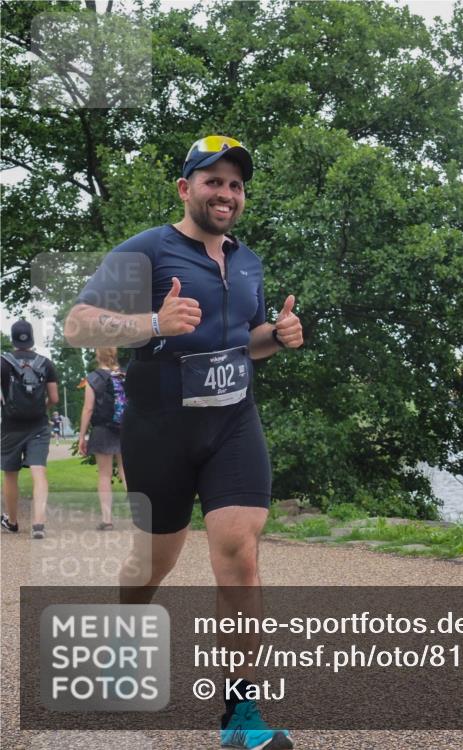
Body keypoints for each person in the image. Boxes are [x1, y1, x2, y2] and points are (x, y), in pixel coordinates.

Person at [66, 135, 303, 749]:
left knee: (240, 552)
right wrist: (149, 323)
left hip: (232, 425)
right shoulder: (146, 251)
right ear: (185, 188)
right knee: (154, 563)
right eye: (213, 181)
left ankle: (239, 713)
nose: (226, 193)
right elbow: (77, 324)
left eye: (236, 184)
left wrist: (275, 336)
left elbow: (240, 341)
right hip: (160, 431)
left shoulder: (247, 262)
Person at [1, 319, 59, 538]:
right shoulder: (45, 363)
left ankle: (13, 522)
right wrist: (40, 407)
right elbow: (54, 397)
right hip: (38, 425)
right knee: (39, 472)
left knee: (10, 474)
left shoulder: (2, 363)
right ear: (32, 337)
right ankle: (38, 524)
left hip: (10, 426)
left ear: (13, 338)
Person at [78, 347, 128, 530]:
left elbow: (88, 408)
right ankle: (141, 515)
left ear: (97, 355)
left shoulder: (93, 378)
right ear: (114, 354)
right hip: (125, 428)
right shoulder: (124, 375)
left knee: (105, 475)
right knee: (126, 472)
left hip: (102, 429)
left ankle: (107, 520)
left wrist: (82, 436)